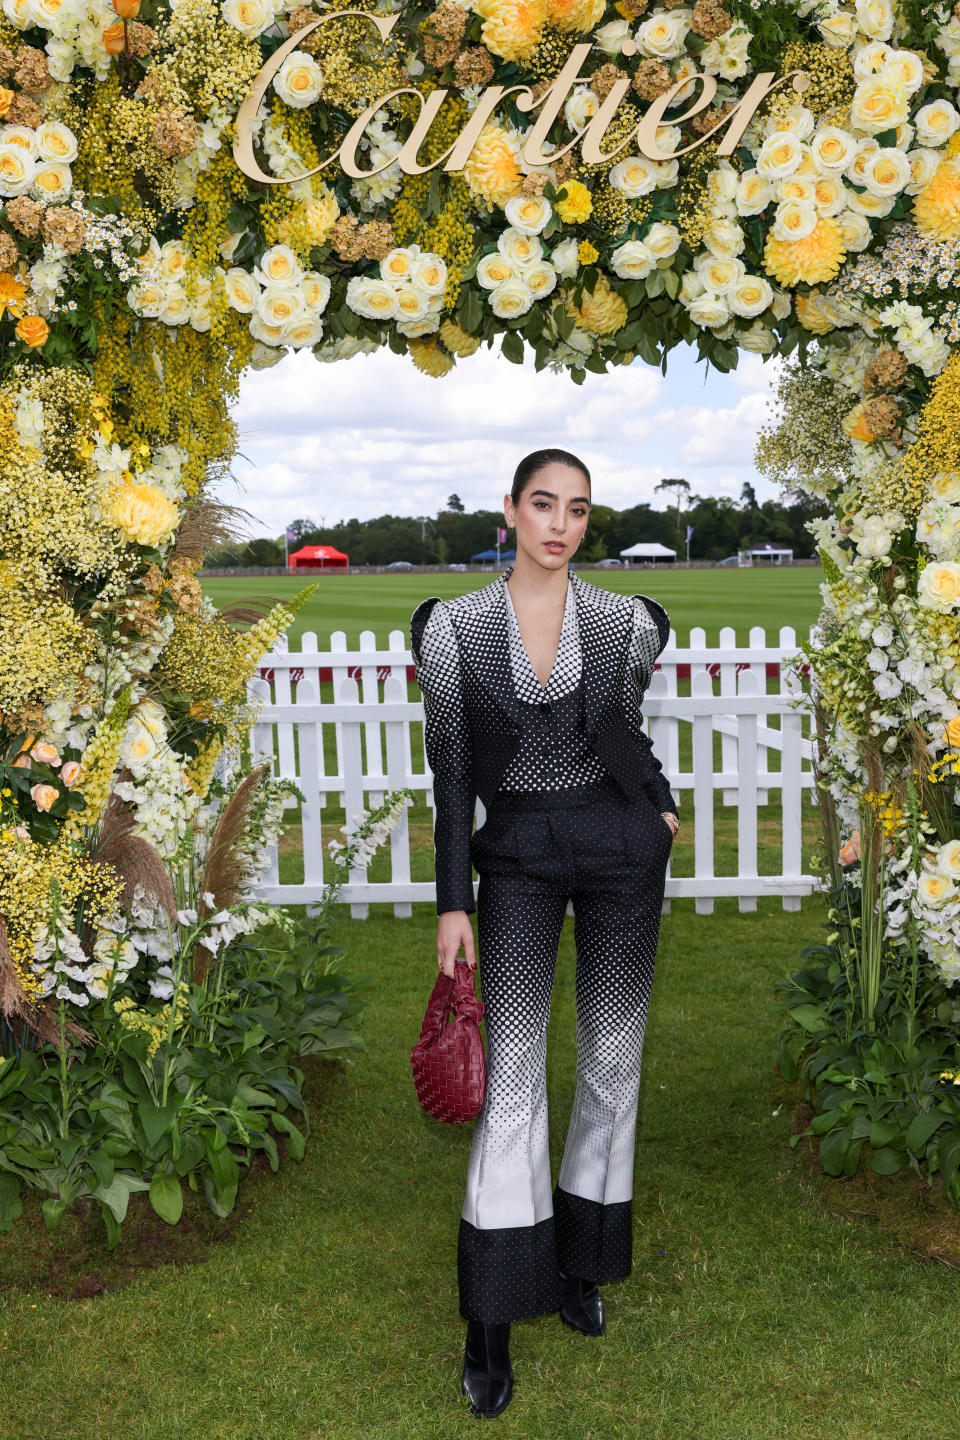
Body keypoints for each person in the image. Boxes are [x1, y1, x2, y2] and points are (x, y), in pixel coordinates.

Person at [409, 448, 679, 1420]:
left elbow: (623, 732)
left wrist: (656, 808)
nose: (559, 524)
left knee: (612, 1062)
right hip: (515, 854)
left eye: (576, 509)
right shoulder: (453, 631)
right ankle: (489, 1319)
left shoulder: (625, 621)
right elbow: (450, 778)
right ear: (511, 512)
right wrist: (451, 903)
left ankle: (581, 1265)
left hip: (616, 852)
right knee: (513, 1077)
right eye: (543, 505)